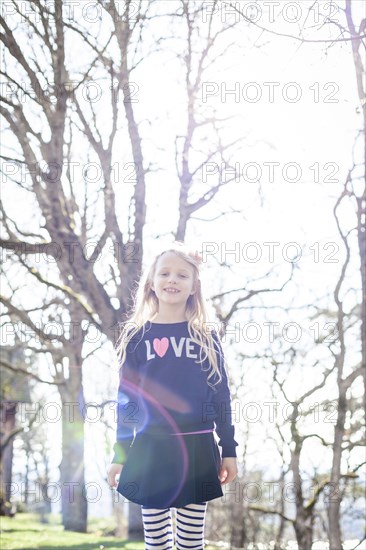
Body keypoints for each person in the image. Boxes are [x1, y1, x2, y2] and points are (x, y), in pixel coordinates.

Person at [107, 242, 238, 550]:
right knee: (156, 542)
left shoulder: (206, 337)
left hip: (198, 448)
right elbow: (127, 403)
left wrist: (229, 449)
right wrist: (120, 454)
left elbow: (221, 398)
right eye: (164, 273)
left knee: (192, 542)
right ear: (151, 282)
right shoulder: (137, 336)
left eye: (182, 275)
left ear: (194, 287)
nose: (172, 280)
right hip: (151, 449)